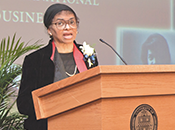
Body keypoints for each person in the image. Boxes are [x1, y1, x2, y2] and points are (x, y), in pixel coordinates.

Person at [17, 3, 98, 130]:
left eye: (72, 22)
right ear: (49, 30)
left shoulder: (88, 55)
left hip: (84, 124)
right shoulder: (35, 59)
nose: (67, 27)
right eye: (60, 23)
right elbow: (23, 104)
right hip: (47, 125)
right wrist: (55, 104)